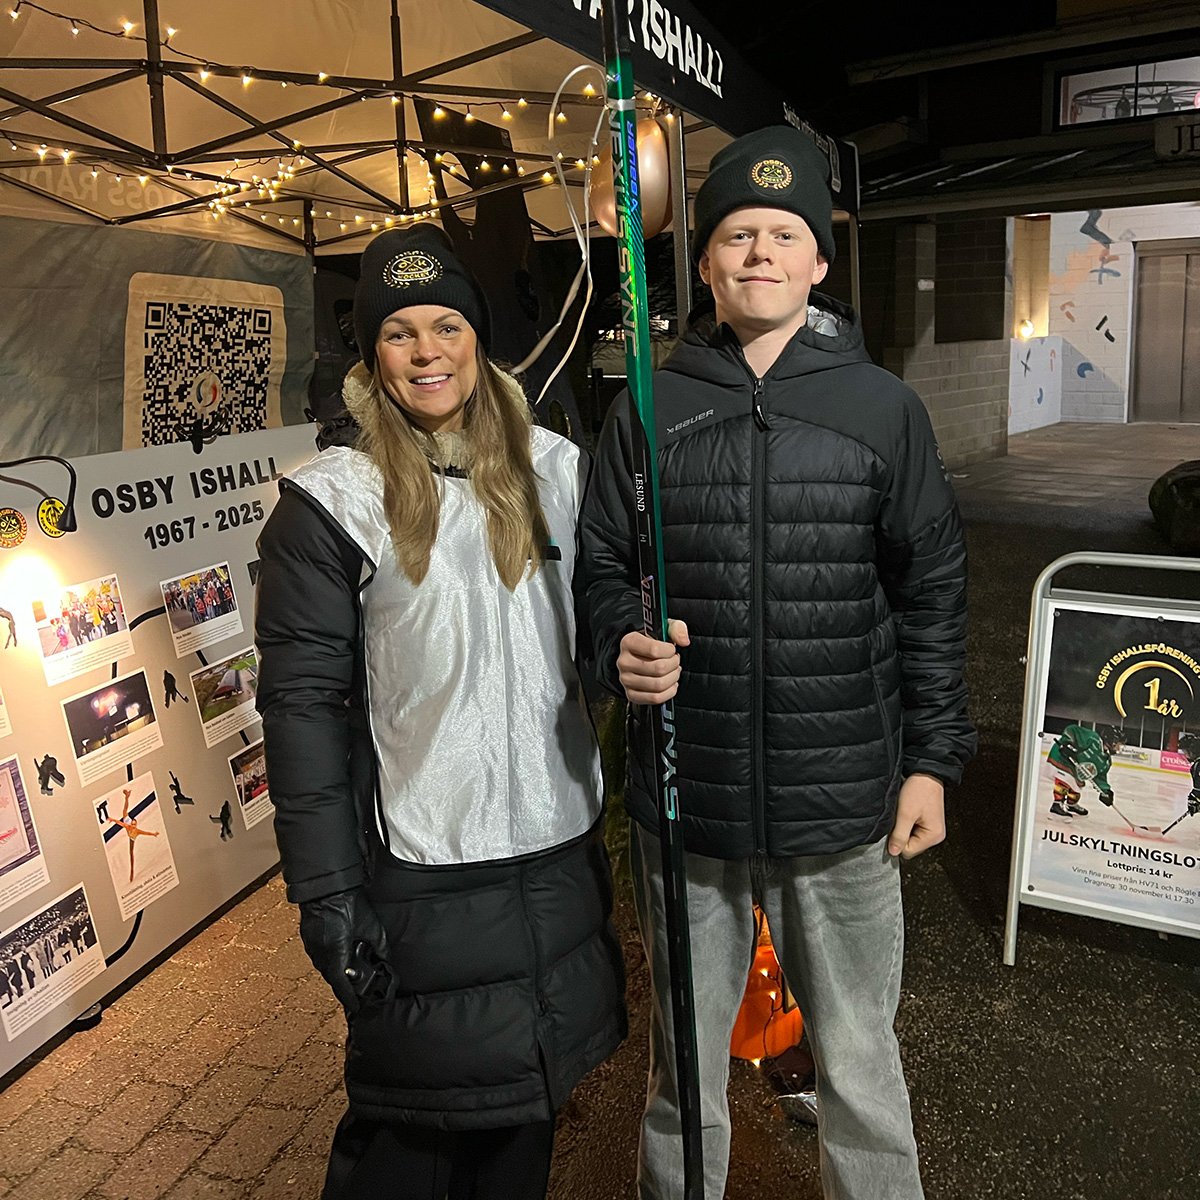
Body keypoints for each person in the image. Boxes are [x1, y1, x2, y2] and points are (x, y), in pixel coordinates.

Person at [579, 125, 976, 1200]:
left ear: (818, 262)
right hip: (688, 800)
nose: (760, 252)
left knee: (860, 1069)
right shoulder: (648, 408)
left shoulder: (882, 408)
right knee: (684, 1076)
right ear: (707, 262)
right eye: (737, 235)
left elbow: (933, 593)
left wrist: (932, 763)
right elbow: (603, 566)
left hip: (841, 804)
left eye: (783, 233)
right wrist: (620, 641)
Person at [255, 225, 626, 1200]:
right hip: (423, 881)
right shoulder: (333, 504)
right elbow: (302, 712)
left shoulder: (560, 471)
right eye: (400, 332)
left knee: (522, 1134)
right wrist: (327, 893)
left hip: (553, 862)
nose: (427, 352)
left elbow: (601, 623)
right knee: (409, 1140)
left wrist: (636, 640)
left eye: (447, 326)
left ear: (478, 337)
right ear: (372, 354)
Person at [1046, 723, 1124, 818]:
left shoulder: (1106, 761)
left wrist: (1105, 791)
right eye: (1118, 745)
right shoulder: (1092, 738)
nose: (1119, 748)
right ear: (1112, 741)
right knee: (1066, 779)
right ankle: (1057, 804)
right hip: (1061, 758)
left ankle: (1071, 804)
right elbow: (1072, 729)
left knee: (1077, 784)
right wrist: (1067, 743)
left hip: (1074, 767)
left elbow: (1099, 777)